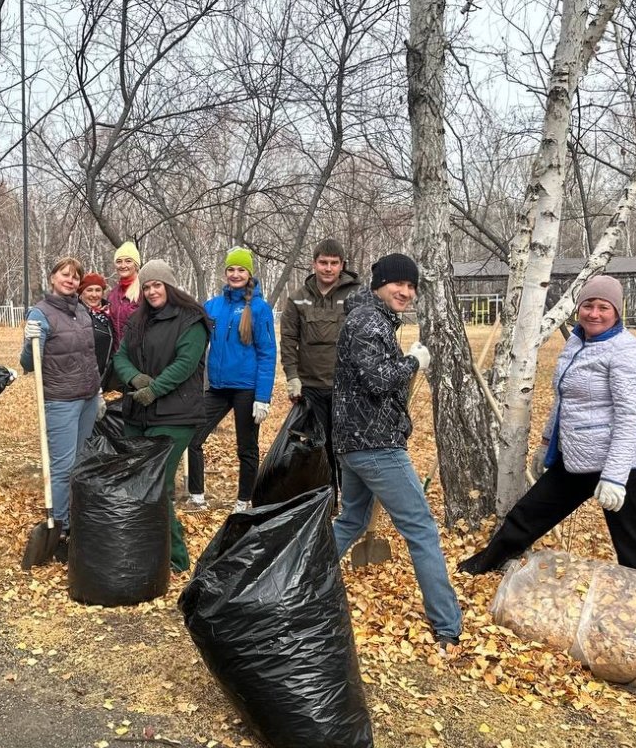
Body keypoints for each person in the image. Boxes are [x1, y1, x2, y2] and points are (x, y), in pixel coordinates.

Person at [459, 275, 636, 580]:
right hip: (577, 459)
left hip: (622, 466)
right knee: (528, 515)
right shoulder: (577, 342)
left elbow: (630, 418)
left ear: (617, 312)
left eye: (603, 307)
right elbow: (563, 401)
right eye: (588, 305)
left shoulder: (627, 351)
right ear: (578, 308)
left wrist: (614, 477)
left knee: (635, 549)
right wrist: (547, 445)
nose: (594, 314)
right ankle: (485, 564)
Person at [330, 253, 462, 651]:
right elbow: (377, 380)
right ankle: (448, 626)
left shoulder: (368, 316)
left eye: (411, 286)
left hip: (355, 443)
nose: (405, 292)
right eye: (397, 284)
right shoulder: (369, 320)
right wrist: (413, 361)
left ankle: (298, 580)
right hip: (375, 446)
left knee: (351, 520)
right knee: (421, 529)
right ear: (378, 285)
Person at [112, 259, 210, 573]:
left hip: (175, 415)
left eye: (158, 285)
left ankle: (177, 558)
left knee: (157, 485)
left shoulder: (192, 320)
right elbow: (121, 356)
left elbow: (185, 364)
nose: (153, 291)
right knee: (137, 484)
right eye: (148, 286)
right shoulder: (139, 320)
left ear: (169, 286)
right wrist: (134, 379)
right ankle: (145, 548)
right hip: (137, 415)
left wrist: (154, 389)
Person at [20, 257, 105, 560]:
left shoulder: (82, 311)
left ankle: (73, 519)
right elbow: (29, 364)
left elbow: (89, 355)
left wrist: (97, 391)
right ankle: (60, 529)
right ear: (53, 277)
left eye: (75, 277)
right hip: (60, 400)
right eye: (65, 275)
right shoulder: (41, 313)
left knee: (80, 463)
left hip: (87, 398)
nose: (70, 280)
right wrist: (30, 342)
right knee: (62, 467)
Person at [187, 247, 276, 513]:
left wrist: (263, 397)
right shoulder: (213, 306)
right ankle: (196, 495)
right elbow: (194, 339)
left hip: (246, 388)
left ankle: (243, 501)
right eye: (231, 269)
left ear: (249, 273)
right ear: (225, 272)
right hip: (217, 387)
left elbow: (267, 353)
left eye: (241, 269)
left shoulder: (259, 309)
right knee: (193, 437)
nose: (235, 274)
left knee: (246, 447)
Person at [280, 238, 360, 484]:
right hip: (311, 389)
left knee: (346, 448)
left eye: (334, 263)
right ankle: (325, 501)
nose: (328, 268)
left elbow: (367, 336)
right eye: (323, 262)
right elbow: (288, 340)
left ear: (342, 265)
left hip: (346, 388)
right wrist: (293, 377)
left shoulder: (357, 295)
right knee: (317, 450)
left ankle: (349, 501)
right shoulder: (297, 299)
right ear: (314, 264)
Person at [106, 241, 142, 349]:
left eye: (128, 261)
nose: (123, 265)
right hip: (117, 355)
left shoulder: (144, 291)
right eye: (119, 261)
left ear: (136, 265)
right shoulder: (112, 295)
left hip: (139, 356)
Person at [79, 271, 114, 381]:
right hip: (81, 382)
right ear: (81, 293)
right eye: (89, 290)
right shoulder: (75, 314)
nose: (94, 295)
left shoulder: (108, 313)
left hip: (105, 379)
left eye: (98, 290)